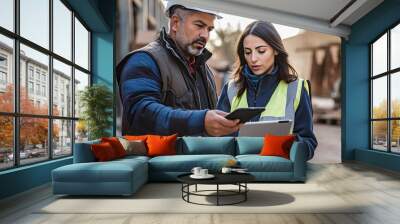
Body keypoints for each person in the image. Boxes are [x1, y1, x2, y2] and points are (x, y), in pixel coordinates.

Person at [116, 1, 240, 136]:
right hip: (155, 157)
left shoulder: (204, 70)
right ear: (175, 23)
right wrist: (200, 121)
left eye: (209, 29)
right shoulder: (144, 60)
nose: (205, 35)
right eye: (199, 25)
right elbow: (141, 114)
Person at [217, 21, 318, 160]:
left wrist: (286, 146)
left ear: (275, 50)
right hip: (238, 172)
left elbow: (308, 143)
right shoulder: (230, 89)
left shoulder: (296, 89)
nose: (253, 59)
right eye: (248, 52)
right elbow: (218, 139)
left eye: (261, 51)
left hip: (279, 175)